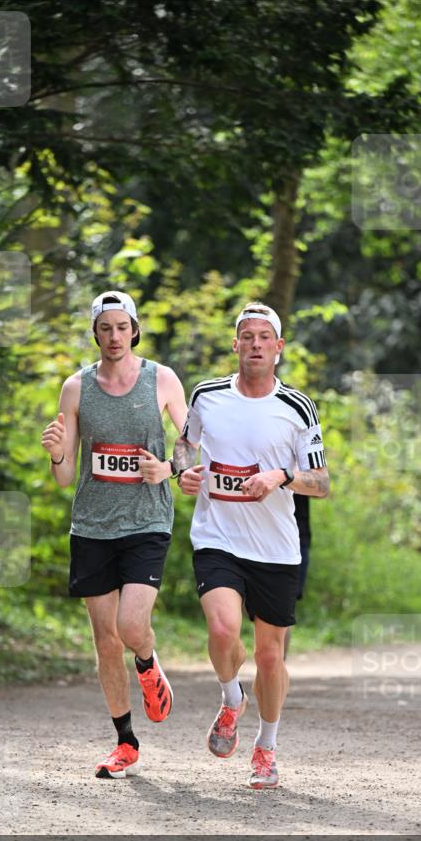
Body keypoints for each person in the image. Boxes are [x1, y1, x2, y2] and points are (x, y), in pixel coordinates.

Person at [172, 301, 329, 789]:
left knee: (268, 657)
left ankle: (266, 746)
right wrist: (184, 472)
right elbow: (184, 446)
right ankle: (231, 698)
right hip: (217, 537)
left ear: (278, 348)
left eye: (265, 338)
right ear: (235, 344)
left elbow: (321, 482)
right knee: (222, 629)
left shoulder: (297, 407)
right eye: (247, 336)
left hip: (275, 548)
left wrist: (280, 476)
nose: (255, 345)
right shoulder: (207, 395)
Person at [41, 290, 188, 778]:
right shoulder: (76, 388)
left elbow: (193, 443)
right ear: (95, 333)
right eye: (105, 328)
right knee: (105, 641)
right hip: (93, 526)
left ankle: (146, 661)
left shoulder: (161, 379)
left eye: (122, 327)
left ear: (135, 330)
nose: (114, 336)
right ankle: (125, 742)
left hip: (147, 521)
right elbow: (65, 477)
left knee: (130, 627)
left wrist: (168, 468)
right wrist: (58, 453)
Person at [284, 494, 312, 659]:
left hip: (294, 540)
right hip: (239, 539)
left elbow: (322, 489)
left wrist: (283, 480)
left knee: (284, 608)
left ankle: (277, 666)